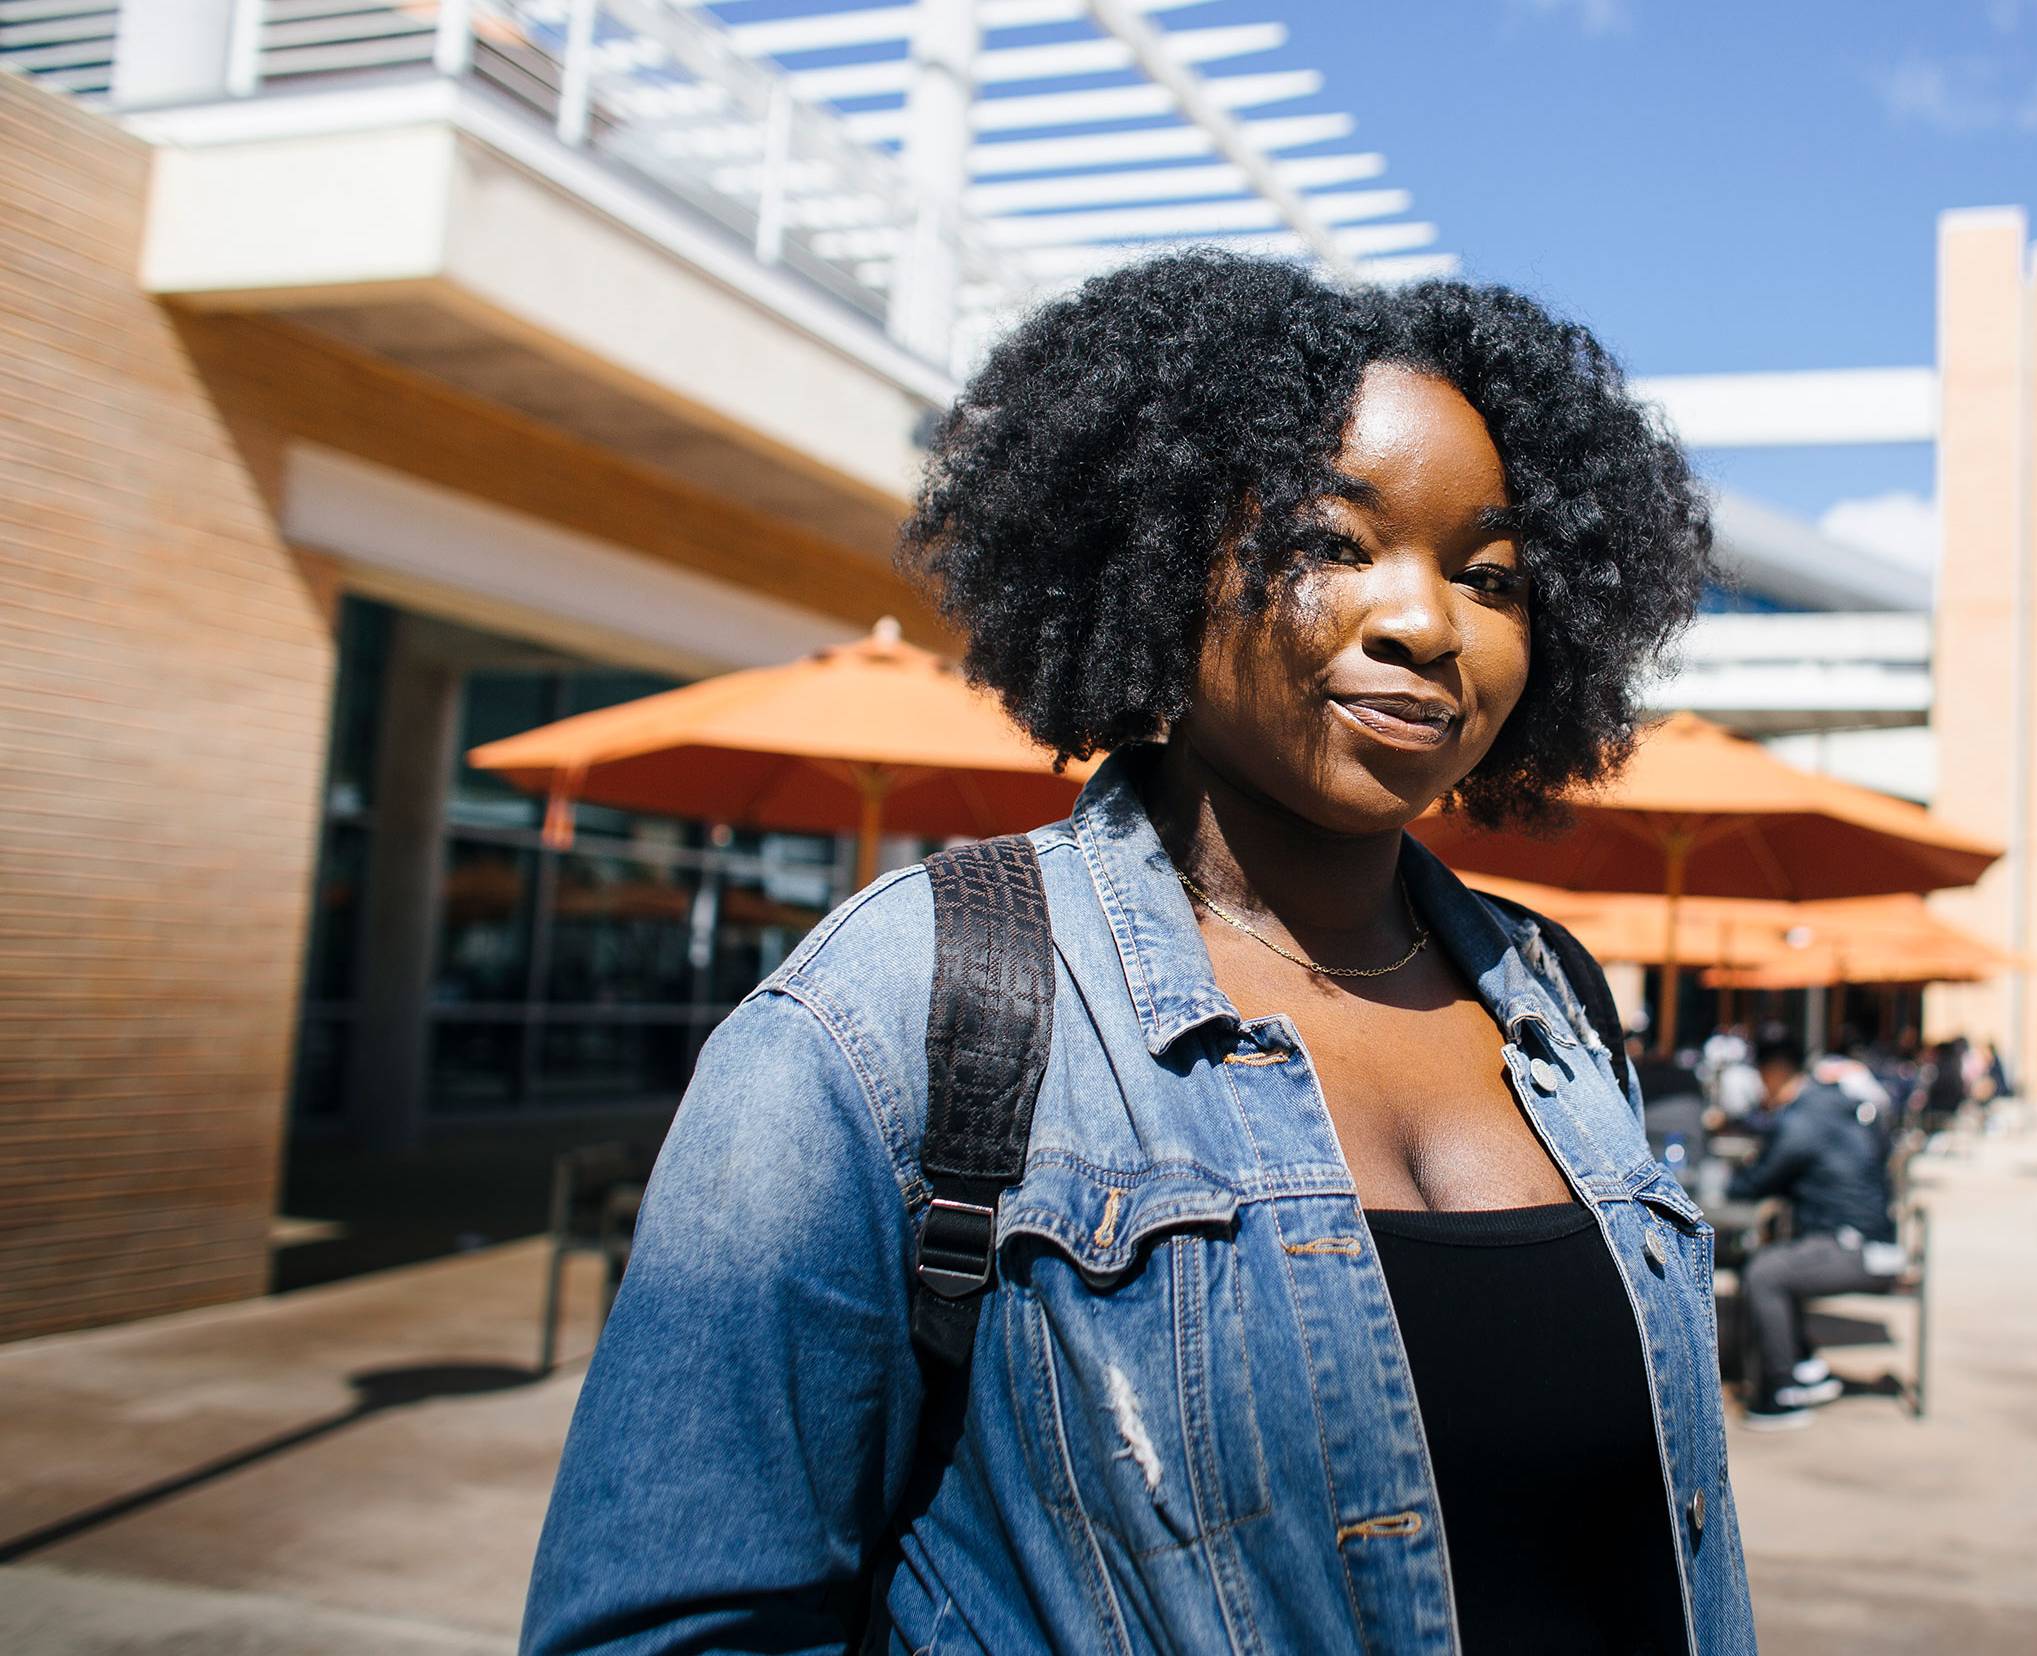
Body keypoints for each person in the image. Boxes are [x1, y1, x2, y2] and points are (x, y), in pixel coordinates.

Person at [521, 253, 1751, 1654]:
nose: (1425, 624)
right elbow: (672, 1628)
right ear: (1159, 562)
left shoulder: (1557, 1000)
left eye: (1491, 576)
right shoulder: (895, 1013)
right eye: (1331, 545)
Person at [1729, 1037, 1900, 1429]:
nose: (1759, 1087)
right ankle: (1805, 1367)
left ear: (1774, 1073)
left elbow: (1755, 1183)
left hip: (1858, 1247)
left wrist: (1733, 1176)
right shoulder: (1826, 1106)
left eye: (1760, 1077)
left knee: (1764, 1273)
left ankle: (1783, 1390)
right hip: (1862, 1237)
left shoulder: (1801, 1120)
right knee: (1781, 1260)